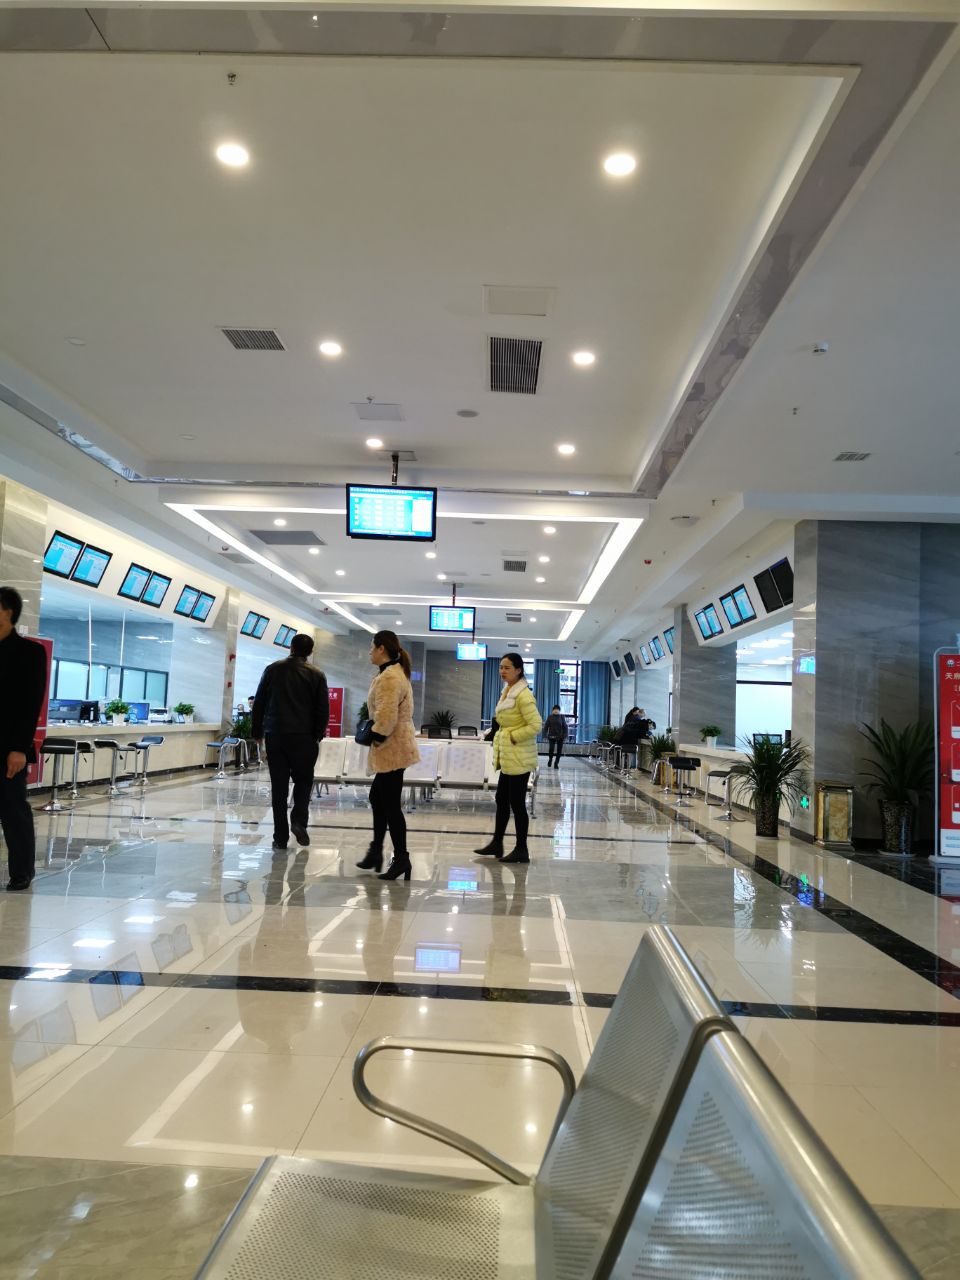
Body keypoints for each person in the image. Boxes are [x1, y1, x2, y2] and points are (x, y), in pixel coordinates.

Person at [252, 633, 328, 850]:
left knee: (279, 787)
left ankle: (280, 837)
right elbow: (323, 708)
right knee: (303, 782)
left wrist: (257, 731)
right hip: (304, 737)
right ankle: (299, 821)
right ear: (310, 652)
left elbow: (259, 703)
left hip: (276, 735)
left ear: (291, 647)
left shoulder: (272, 670)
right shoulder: (317, 674)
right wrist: (317, 734)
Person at [356, 630, 419, 881]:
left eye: (372, 647)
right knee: (378, 797)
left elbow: (386, 716)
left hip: (392, 747)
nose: (370, 652)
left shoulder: (390, 677)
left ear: (382, 648)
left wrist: (375, 736)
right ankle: (376, 851)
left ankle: (401, 858)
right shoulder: (391, 673)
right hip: (394, 745)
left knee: (391, 804)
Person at [0, 587, 48, 891]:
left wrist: (19, 747)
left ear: (8, 612)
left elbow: (31, 704)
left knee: (13, 810)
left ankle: (21, 871)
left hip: (8, 747)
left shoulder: (30, 653)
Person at [475, 654, 542, 864]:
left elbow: (536, 725)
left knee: (517, 803)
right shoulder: (508, 691)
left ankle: (522, 849)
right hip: (509, 756)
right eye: (500, 667)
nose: (502, 671)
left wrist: (513, 736)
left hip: (519, 757)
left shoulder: (523, 695)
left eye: (507, 668)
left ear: (518, 670)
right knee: (502, 799)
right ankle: (497, 842)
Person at [543, 704, 567, 769]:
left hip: (560, 736)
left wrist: (565, 735)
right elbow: (546, 727)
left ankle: (556, 763)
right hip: (551, 736)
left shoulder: (562, 717)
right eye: (555, 709)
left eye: (557, 709)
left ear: (559, 710)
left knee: (559, 750)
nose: (556, 710)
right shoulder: (550, 717)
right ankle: (550, 759)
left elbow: (565, 727)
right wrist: (544, 735)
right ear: (552, 710)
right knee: (551, 749)